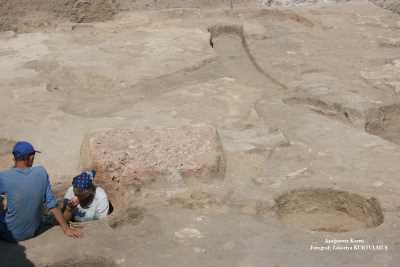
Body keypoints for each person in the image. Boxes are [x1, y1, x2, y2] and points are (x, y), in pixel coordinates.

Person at [0, 141, 81, 242]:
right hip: (33, 231)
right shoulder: (41, 172)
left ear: (14, 157)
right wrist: (66, 229)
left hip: (10, 235)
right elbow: (52, 204)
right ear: (30, 157)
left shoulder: (3, 177)